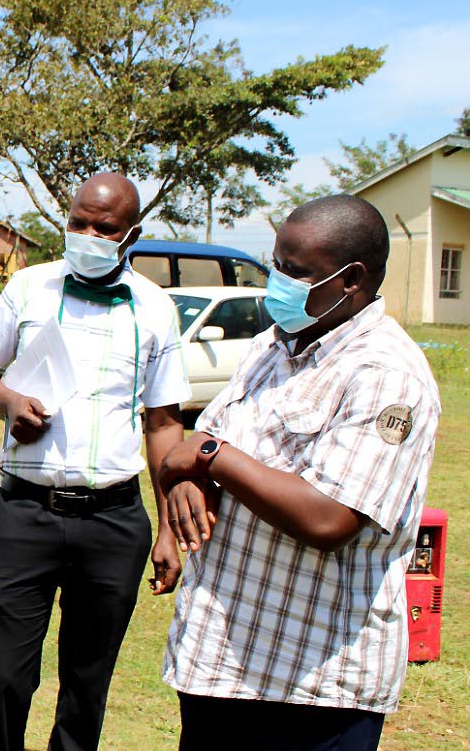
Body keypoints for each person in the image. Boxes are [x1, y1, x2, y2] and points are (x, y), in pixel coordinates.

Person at [157, 195, 440, 751]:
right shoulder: (271, 346)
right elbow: (201, 449)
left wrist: (211, 456)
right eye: (276, 262)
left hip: (311, 686)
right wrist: (192, 477)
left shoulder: (386, 376)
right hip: (221, 659)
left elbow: (329, 516)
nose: (276, 280)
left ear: (351, 279)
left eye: (293, 270)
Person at [0, 172, 191, 751]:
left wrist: (168, 528)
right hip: (25, 512)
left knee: (87, 684)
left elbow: (164, 424)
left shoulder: (156, 308)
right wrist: (9, 401)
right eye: (78, 223)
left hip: (113, 520)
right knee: (2, 674)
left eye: (105, 228)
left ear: (132, 234)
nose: (88, 236)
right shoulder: (27, 288)